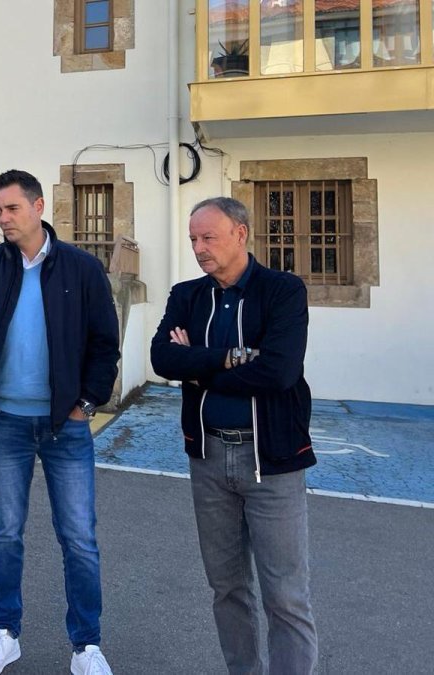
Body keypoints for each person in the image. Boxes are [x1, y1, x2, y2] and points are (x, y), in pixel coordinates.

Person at [0, 170, 120, 675]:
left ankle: (86, 646)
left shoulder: (83, 269)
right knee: (5, 531)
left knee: (79, 538)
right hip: (3, 423)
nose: (2, 219)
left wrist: (86, 404)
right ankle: (5, 633)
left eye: (11, 209)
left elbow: (105, 344)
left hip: (65, 426)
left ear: (38, 206)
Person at [150, 197, 318, 674]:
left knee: (286, 596)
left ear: (241, 234)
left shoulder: (282, 291)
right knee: (227, 589)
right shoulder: (187, 295)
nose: (199, 248)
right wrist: (230, 357)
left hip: (272, 462)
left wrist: (199, 366)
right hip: (208, 457)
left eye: (208, 237)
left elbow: (280, 371)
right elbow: (162, 358)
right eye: (193, 240)